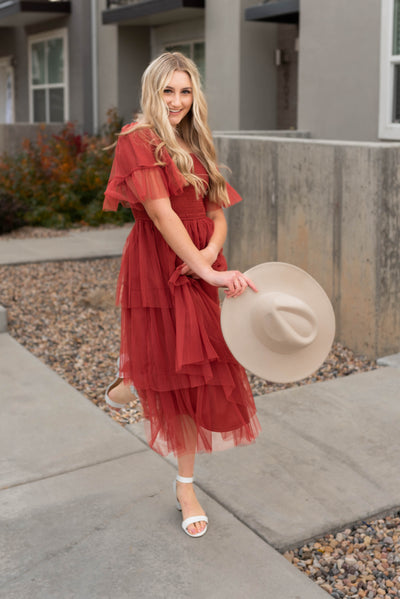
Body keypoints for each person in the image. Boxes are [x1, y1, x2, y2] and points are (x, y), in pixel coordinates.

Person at [103, 52, 261, 538]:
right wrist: (206, 272)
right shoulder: (138, 138)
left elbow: (216, 212)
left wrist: (213, 254)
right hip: (159, 263)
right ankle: (132, 380)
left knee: (190, 376)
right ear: (153, 91)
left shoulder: (196, 140)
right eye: (168, 91)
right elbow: (162, 215)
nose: (177, 101)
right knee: (169, 370)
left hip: (198, 260)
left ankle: (185, 485)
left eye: (185, 91)